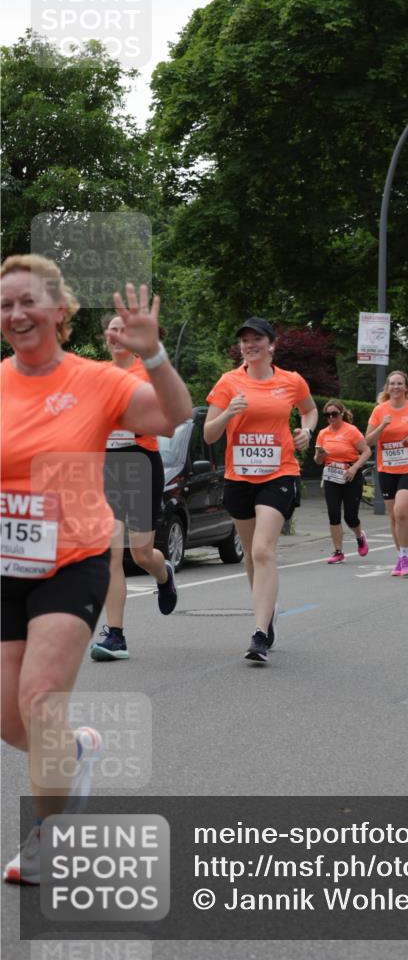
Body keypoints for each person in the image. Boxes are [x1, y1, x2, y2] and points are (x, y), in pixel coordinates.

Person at [1, 255, 192, 883]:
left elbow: (173, 416)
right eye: (5, 304)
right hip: (6, 564)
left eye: (28, 300)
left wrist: (155, 354)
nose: (16, 313)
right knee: (12, 719)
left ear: (60, 310)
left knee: (41, 701)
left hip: (72, 560)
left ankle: (44, 836)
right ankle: (77, 750)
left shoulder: (95, 381)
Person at [204, 318, 317, 663]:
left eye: (257, 339)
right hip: (240, 477)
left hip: (279, 474)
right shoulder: (228, 383)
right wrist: (228, 414)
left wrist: (307, 432)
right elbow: (209, 434)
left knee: (264, 549)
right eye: (245, 341)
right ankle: (266, 615)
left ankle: (259, 634)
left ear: (271, 345)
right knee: (252, 554)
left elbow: (309, 410)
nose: (250, 345)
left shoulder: (291, 381)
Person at [90, 313, 178, 662]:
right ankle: (116, 635)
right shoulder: (95, 375)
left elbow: (170, 418)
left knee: (141, 553)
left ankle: (163, 571)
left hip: (141, 463)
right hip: (105, 466)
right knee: (109, 552)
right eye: (110, 331)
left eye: (122, 330)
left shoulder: (150, 372)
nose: (115, 336)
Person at [365, 371, 408, 577]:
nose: (395, 387)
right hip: (387, 469)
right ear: (388, 387)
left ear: (406, 388)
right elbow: (367, 440)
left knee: (402, 510)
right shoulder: (379, 411)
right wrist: (383, 426)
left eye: (399, 383)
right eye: (392, 383)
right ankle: (400, 556)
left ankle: (405, 555)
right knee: (393, 515)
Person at [314, 400, 371, 563]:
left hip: (350, 476)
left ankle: (360, 536)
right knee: (333, 513)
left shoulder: (351, 431)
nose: (331, 418)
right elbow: (318, 460)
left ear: (341, 414)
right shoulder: (323, 433)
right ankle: (338, 551)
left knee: (350, 516)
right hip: (331, 476)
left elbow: (366, 451)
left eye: (334, 414)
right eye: (328, 415)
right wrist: (320, 455)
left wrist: (354, 468)